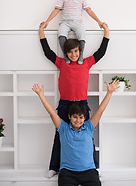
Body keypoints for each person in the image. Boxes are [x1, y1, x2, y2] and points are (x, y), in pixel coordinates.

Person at [39, 21, 109, 178]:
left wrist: (106, 33)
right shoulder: (62, 63)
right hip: (65, 104)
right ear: (66, 53)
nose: (73, 54)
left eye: (76, 51)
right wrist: (41, 33)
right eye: (70, 52)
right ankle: (53, 167)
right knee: (59, 136)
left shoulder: (87, 62)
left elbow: (101, 52)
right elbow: (48, 52)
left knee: (87, 137)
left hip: (82, 104)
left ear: (80, 51)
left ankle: (94, 166)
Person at [32, 79, 119, 186]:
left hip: (89, 172)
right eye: (75, 117)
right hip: (67, 173)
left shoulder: (89, 127)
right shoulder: (63, 128)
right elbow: (51, 113)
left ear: (84, 118)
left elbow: (100, 110)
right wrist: (41, 95)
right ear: (69, 117)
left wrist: (109, 93)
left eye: (81, 117)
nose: (78, 120)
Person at [41, 0, 107, 64]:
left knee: (82, 36)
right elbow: (56, 10)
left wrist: (99, 21)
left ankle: (80, 55)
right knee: (61, 35)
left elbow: (89, 11)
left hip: (78, 22)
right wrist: (47, 21)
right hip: (65, 22)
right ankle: (66, 56)